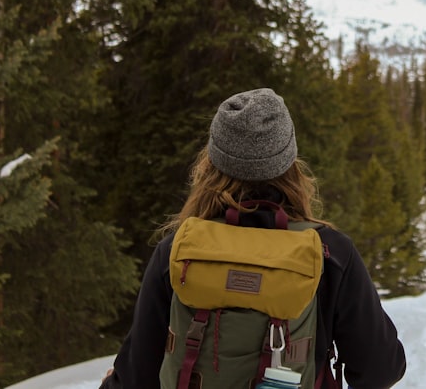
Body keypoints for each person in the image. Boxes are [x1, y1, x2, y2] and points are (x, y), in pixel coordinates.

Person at [100, 87, 406, 389]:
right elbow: (381, 369)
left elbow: (136, 376)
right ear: (290, 164)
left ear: (210, 166)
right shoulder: (331, 252)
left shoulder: (179, 249)